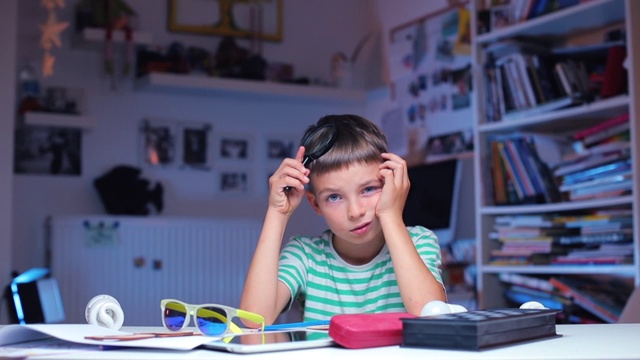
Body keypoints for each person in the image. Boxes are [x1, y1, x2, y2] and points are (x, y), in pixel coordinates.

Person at [240, 114, 446, 325]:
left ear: (390, 184)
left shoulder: (420, 241)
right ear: (316, 204)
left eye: (368, 189)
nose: (355, 212)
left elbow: (431, 315)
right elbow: (254, 320)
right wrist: (277, 212)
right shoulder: (305, 255)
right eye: (334, 197)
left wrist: (391, 215)